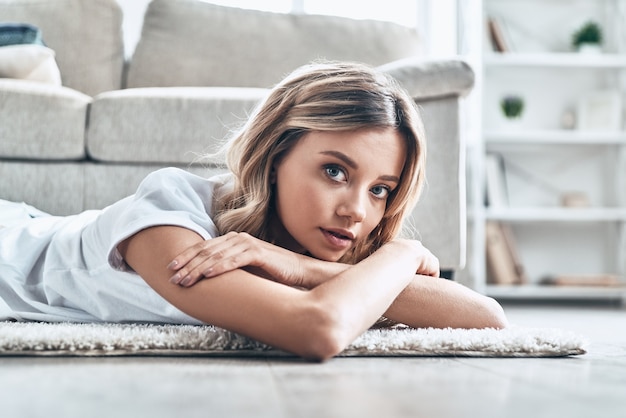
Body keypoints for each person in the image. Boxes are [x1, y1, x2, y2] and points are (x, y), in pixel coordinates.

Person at [0, 61, 507, 361]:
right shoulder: (169, 213)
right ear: (276, 153)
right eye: (335, 171)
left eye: (381, 189)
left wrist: (308, 268)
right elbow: (319, 330)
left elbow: (486, 318)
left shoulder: (311, 245)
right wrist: (405, 253)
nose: (357, 210)